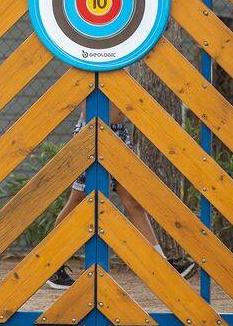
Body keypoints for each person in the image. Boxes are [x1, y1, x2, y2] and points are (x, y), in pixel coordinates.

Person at [47, 108, 197, 289]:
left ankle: (161, 267)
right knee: (78, 198)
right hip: (92, 128)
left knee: (133, 201)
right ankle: (50, 264)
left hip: (119, 132)